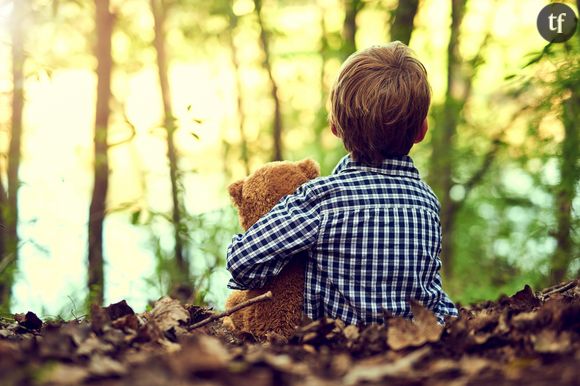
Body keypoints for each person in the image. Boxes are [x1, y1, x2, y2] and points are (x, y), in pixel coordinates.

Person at [226, 42, 458, 325]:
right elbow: (431, 292)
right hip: (415, 342)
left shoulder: (321, 200)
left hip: (337, 351)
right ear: (422, 131)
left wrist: (289, 263)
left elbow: (242, 260)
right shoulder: (428, 202)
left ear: (335, 127)